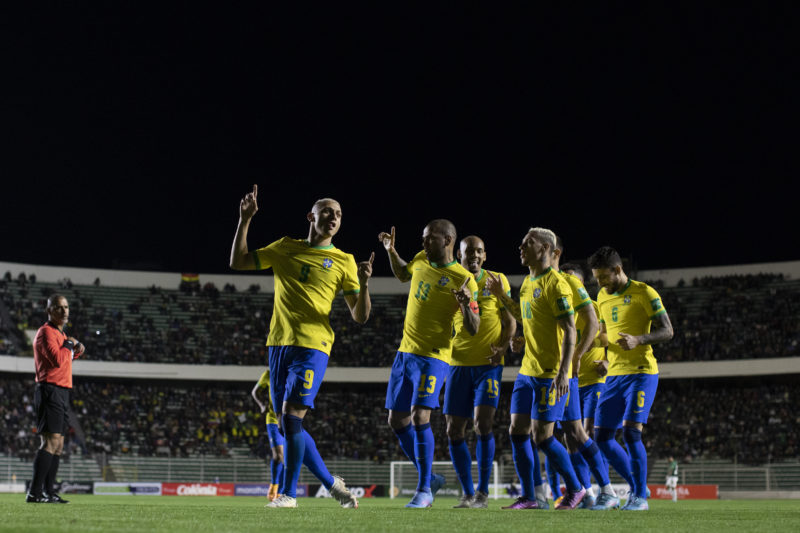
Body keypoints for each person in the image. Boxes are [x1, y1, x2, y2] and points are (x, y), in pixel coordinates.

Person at [230, 185, 374, 509]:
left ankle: (289, 494)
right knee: (287, 423)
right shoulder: (285, 248)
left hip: (314, 345)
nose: (334, 218)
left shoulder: (344, 261)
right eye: (327, 212)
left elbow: (361, 316)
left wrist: (364, 285)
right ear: (311, 216)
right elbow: (238, 261)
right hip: (278, 343)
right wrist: (244, 220)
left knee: (292, 418)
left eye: (338, 214)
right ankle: (331, 484)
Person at [379, 221, 480, 508]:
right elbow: (402, 274)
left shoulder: (463, 279)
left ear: (447, 239)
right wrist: (391, 250)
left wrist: (464, 304)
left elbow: (473, 327)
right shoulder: (422, 259)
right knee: (396, 420)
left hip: (433, 357)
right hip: (405, 352)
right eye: (422, 238)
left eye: (429, 238)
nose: (423, 243)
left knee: (420, 417)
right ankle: (431, 478)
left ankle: (424, 490)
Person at [486, 227, 585, 510]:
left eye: (528, 243)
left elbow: (569, 330)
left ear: (544, 249)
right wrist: (502, 299)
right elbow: (525, 316)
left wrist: (564, 371)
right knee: (517, 431)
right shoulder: (529, 281)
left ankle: (576, 488)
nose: (521, 246)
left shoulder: (558, 284)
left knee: (543, 437)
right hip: (527, 371)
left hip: (549, 374)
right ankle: (530, 497)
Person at [588, 246, 674, 511]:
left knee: (631, 433)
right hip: (613, 375)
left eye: (603, 277)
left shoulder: (644, 292)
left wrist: (639, 339)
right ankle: (638, 485)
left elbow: (667, 330)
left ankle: (639, 497)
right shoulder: (602, 296)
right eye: (596, 279)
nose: (600, 283)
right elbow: (605, 331)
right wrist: (603, 356)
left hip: (640, 373)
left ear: (617, 270)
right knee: (601, 436)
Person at [444, 236, 515, 509]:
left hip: (488, 365)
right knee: (453, 430)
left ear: (484, 255)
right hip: (457, 364)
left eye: (478, 251)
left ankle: (483, 494)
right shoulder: (452, 279)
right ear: (459, 255)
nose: (473, 255)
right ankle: (467, 493)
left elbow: (510, 322)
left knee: (482, 424)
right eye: (468, 251)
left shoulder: (497, 280)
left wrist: (503, 348)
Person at [548, 244, 616, 510]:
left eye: (572, 281)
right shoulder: (560, 306)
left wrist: (605, 360)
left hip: (587, 380)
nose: (567, 285)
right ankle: (585, 492)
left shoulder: (592, 308)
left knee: (582, 433)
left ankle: (606, 490)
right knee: (570, 437)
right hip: (565, 376)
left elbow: (607, 338)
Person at [27, 294, 85, 504]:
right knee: (49, 442)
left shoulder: (60, 334)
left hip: (61, 391)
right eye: (58, 308)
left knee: (58, 444)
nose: (64, 311)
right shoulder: (46, 333)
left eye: (66, 307)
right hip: (49, 390)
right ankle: (34, 492)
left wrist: (75, 349)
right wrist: (70, 344)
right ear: (49, 311)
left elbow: (66, 357)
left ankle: (49, 492)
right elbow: (59, 360)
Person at [252, 368, 284, 501]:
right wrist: (261, 405)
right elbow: (254, 392)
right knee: (279, 456)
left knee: (284, 457)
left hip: (288, 419)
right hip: (272, 419)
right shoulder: (269, 373)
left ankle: (281, 492)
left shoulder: (291, 372)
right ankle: (275, 487)